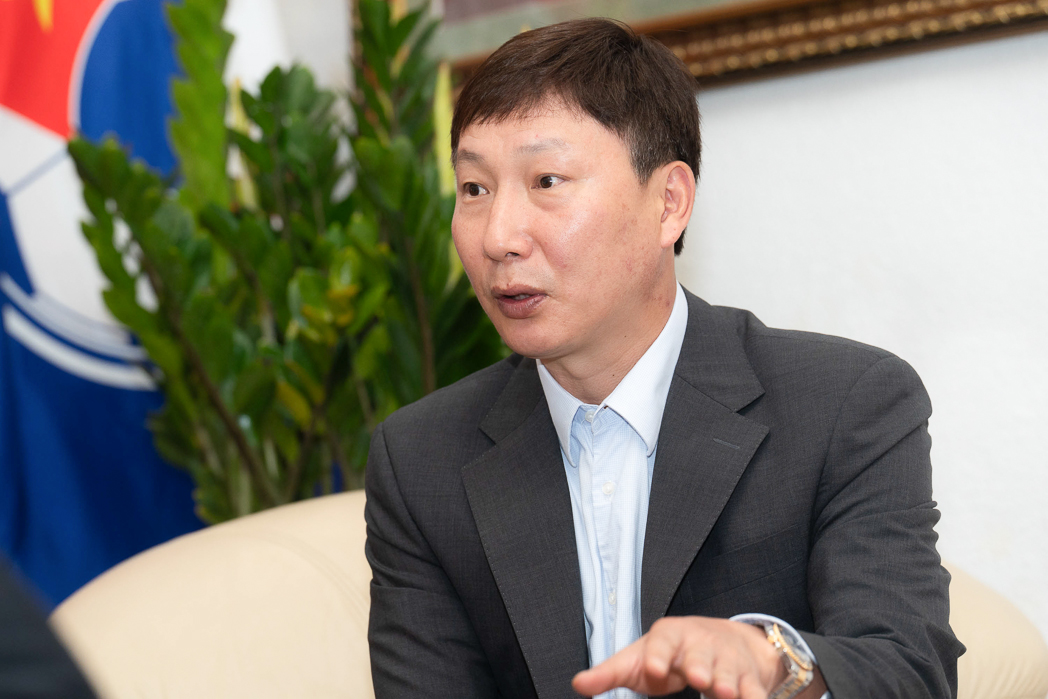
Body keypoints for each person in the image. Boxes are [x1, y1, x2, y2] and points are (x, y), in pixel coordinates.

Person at [364, 17, 963, 699]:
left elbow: (909, 670)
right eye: (474, 189)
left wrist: (777, 663)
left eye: (547, 180)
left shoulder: (844, 407)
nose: (498, 236)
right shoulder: (421, 461)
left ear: (669, 203)